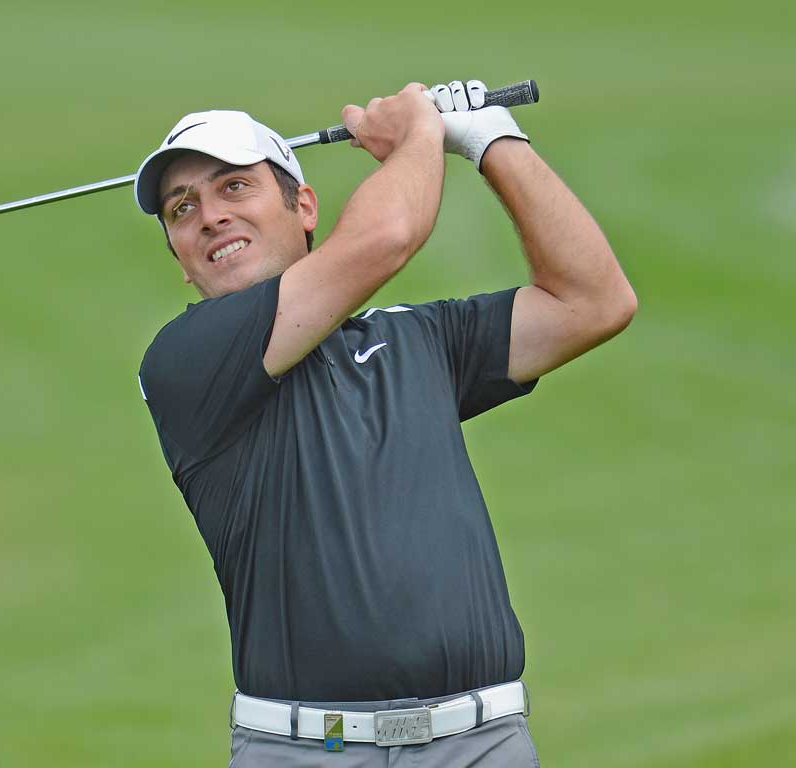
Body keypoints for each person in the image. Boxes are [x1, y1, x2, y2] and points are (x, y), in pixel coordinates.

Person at [133, 79, 637, 767]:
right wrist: (421, 130)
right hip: (307, 749)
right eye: (181, 208)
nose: (209, 217)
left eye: (234, 188)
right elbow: (388, 235)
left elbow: (594, 300)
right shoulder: (186, 363)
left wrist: (494, 140)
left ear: (303, 206)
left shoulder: (416, 340)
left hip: (483, 744)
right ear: (182, 262)